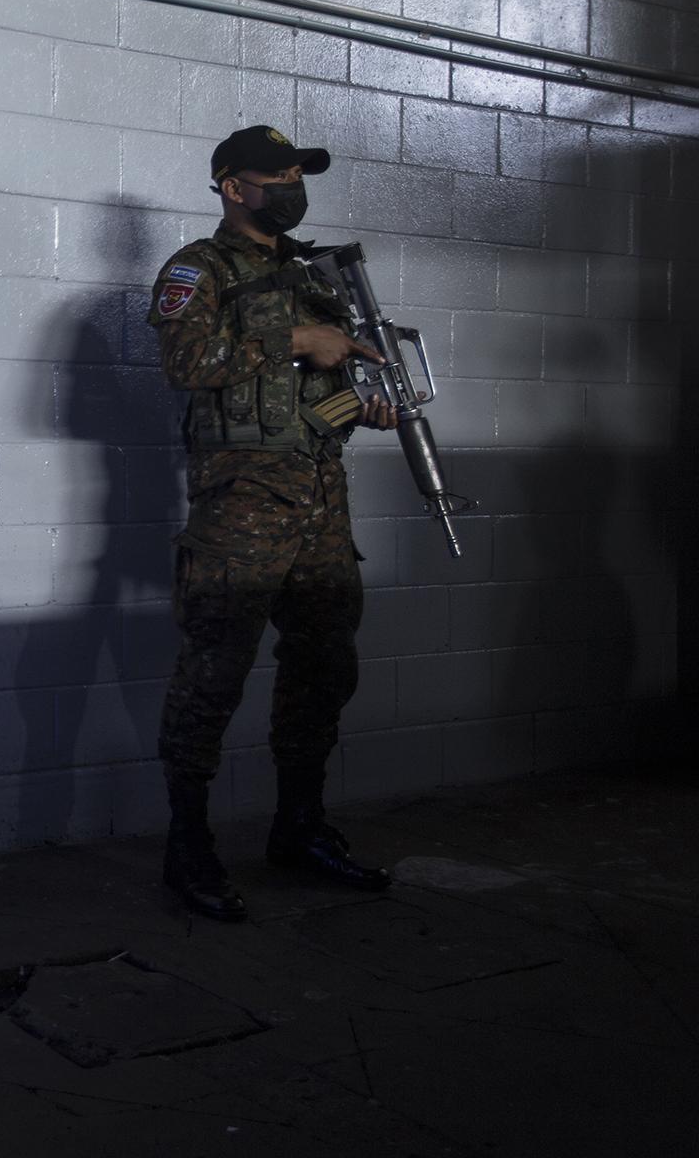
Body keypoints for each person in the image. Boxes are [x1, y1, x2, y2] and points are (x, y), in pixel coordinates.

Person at [146, 125, 397, 922]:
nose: (290, 185)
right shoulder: (198, 268)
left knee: (324, 668)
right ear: (232, 186)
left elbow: (319, 396)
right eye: (275, 175)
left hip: (320, 501)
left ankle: (299, 828)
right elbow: (188, 365)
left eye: (298, 173)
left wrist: (362, 401)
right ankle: (188, 850)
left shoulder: (314, 275)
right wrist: (296, 337)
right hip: (241, 508)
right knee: (212, 676)